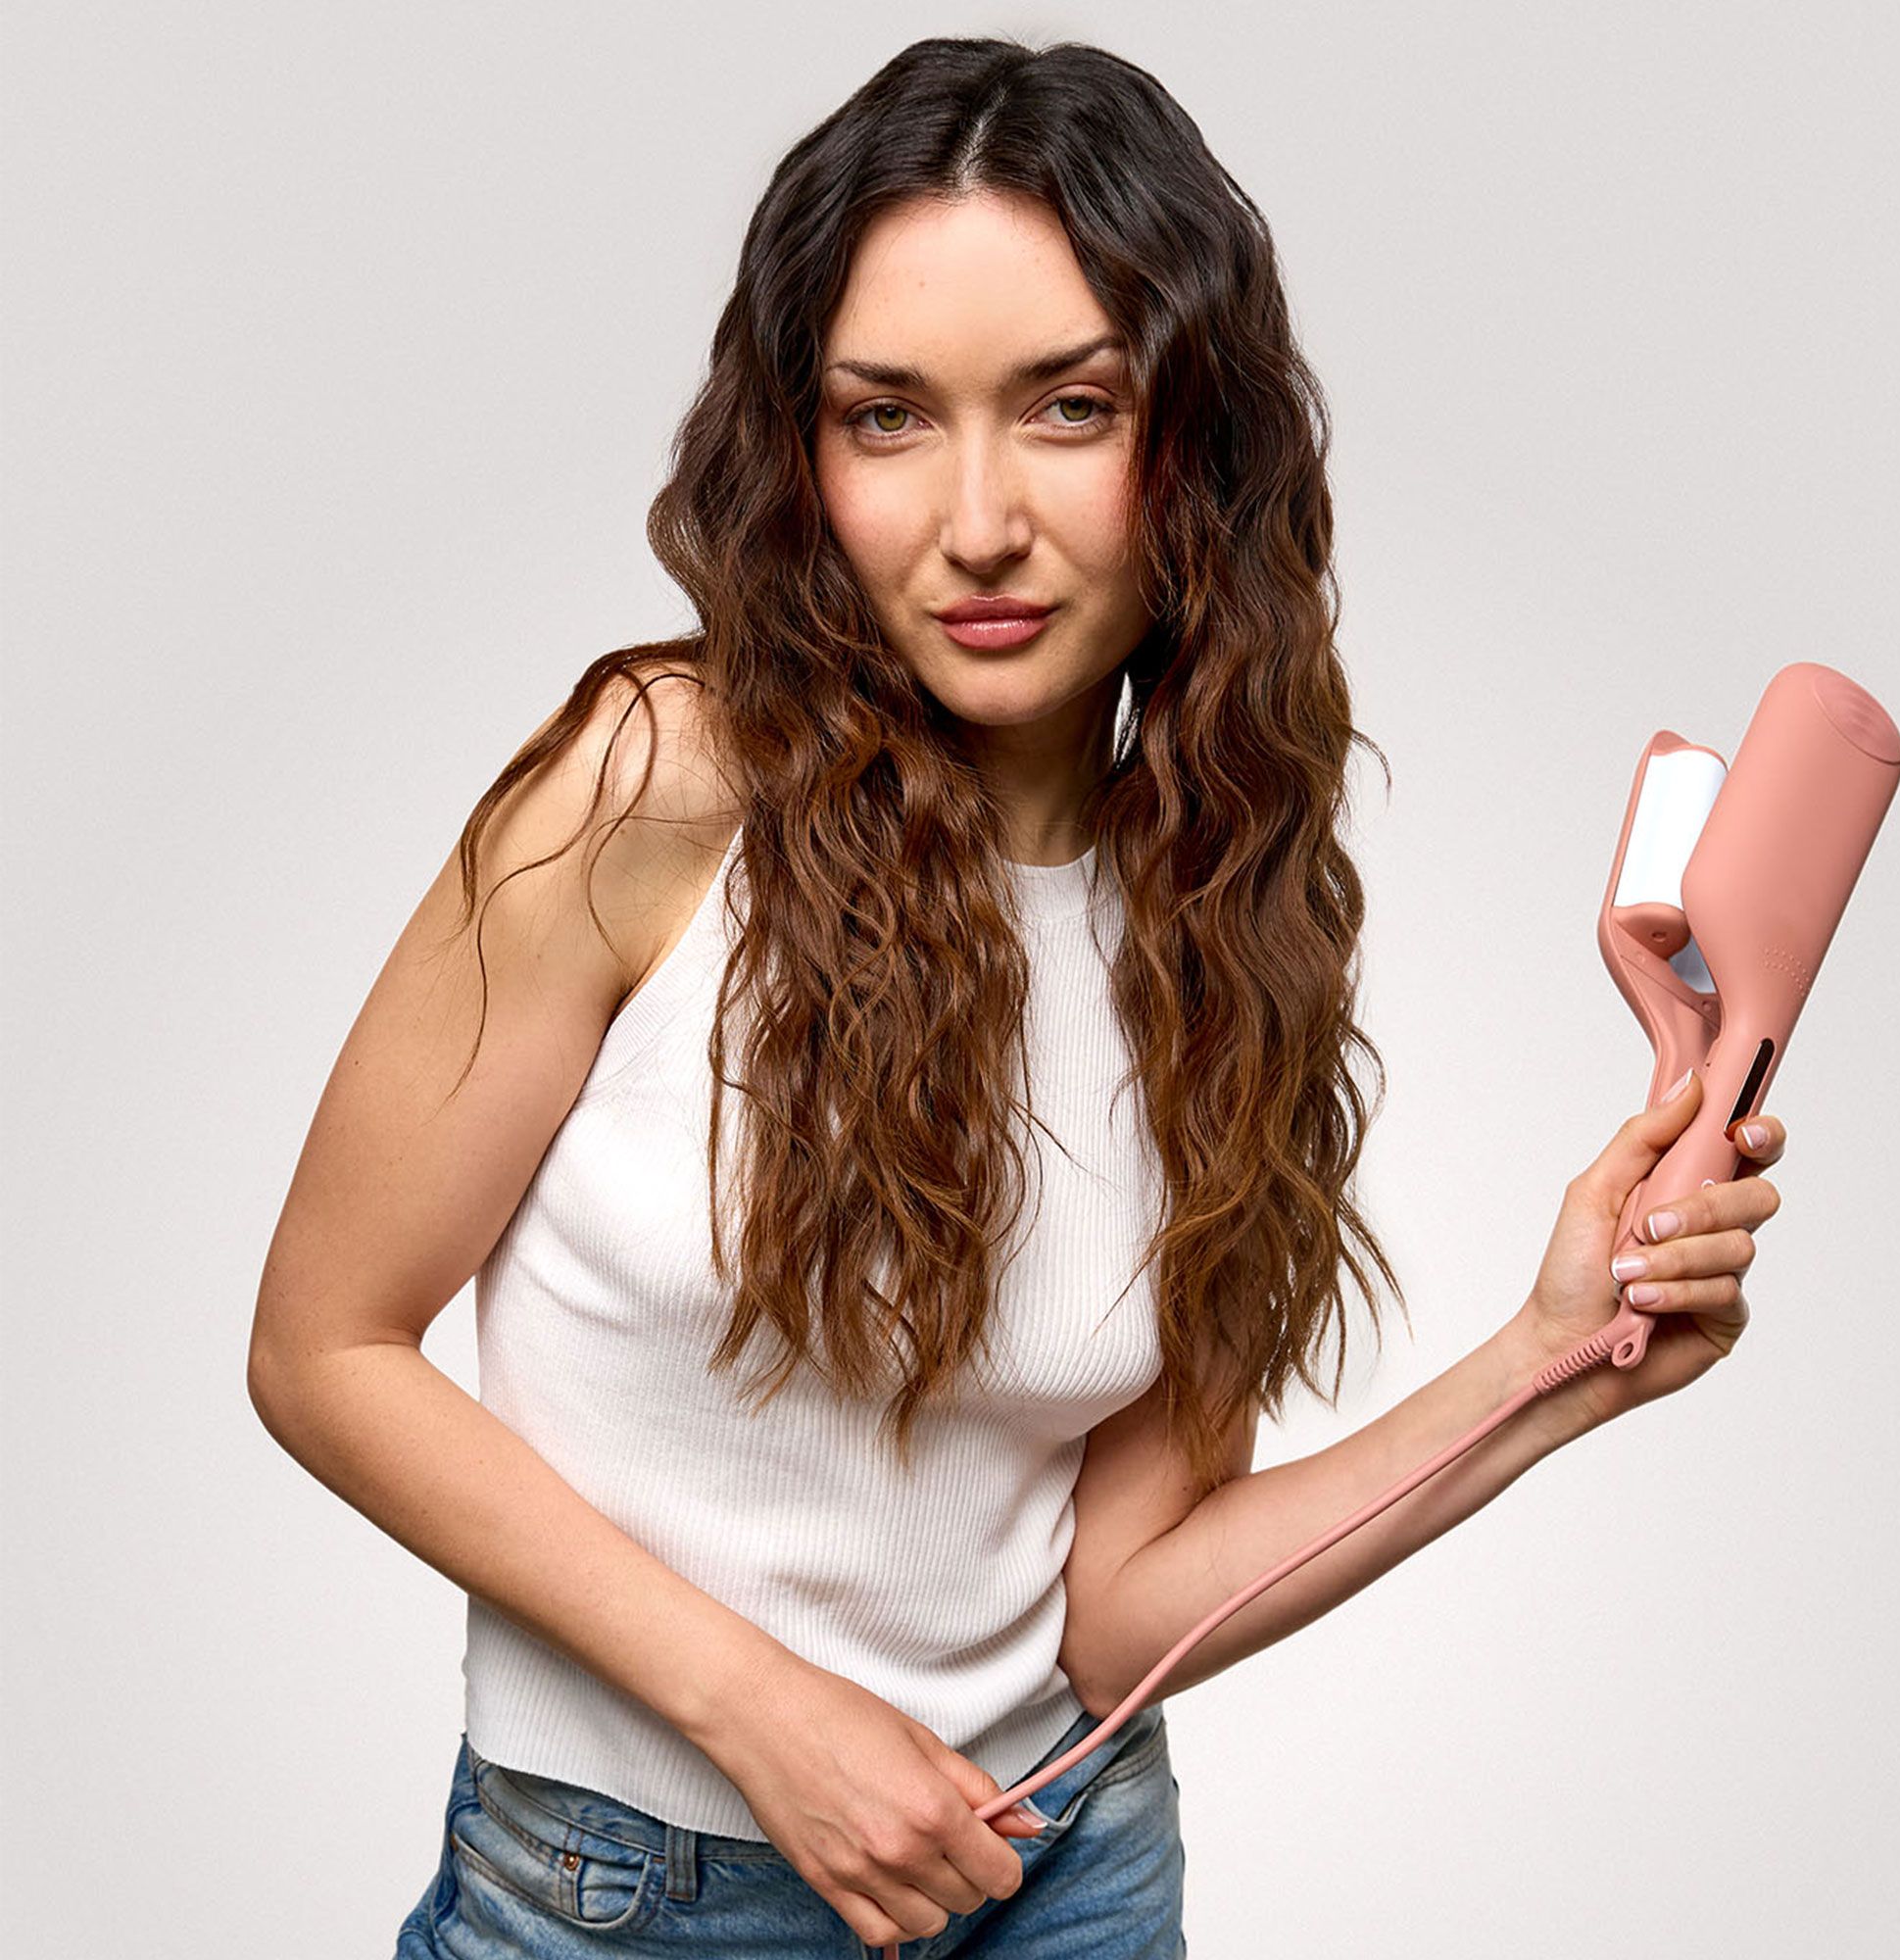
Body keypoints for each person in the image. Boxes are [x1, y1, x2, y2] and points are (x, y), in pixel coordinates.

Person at [245, 35, 1787, 1960]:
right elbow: (324, 1346)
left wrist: (1551, 1368)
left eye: (1070, 407)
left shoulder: (1219, 907)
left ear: (1193, 443)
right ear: (802, 454)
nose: (978, 521)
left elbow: (1119, 1616)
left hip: (1066, 1868)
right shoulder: (658, 784)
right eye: (888, 418)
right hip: (635, 1902)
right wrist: (762, 1714)